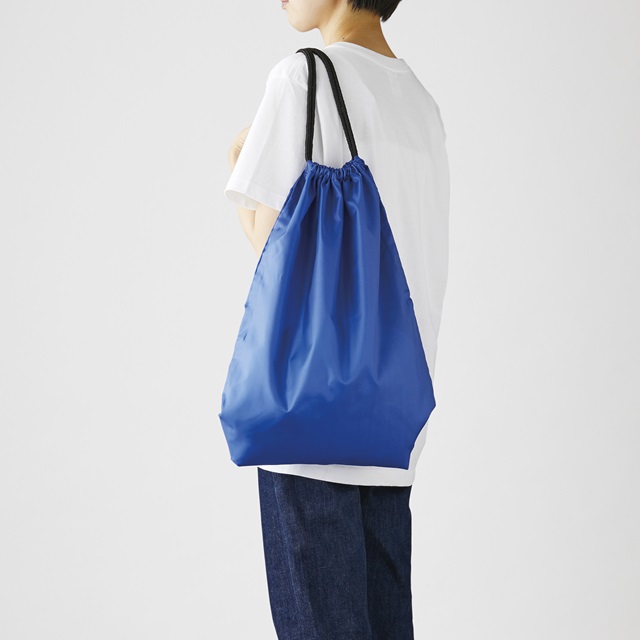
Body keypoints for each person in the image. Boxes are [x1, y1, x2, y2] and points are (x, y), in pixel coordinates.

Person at [223, 1, 449, 638]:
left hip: (309, 425)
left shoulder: (302, 77)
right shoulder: (421, 104)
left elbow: (273, 252)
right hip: (393, 423)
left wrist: (237, 158)